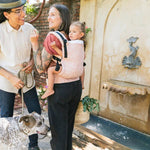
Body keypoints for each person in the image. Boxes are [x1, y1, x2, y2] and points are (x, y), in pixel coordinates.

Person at [30, 3, 83, 150]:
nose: (48, 18)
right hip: (75, 86)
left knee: (58, 133)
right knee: (67, 129)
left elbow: (41, 68)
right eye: (48, 14)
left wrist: (35, 45)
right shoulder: (73, 37)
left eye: (53, 15)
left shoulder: (53, 37)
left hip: (59, 89)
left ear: (63, 19)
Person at [0, 0, 41, 150]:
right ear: (6, 14)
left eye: (23, 9)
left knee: (35, 111)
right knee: (5, 116)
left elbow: (35, 52)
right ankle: (5, 145)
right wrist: (11, 77)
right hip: (5, 79)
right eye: (18, 11)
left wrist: (31, 61)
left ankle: (34, 145)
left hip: (27, 78)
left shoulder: (29, 28)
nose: (23, 14)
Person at [41, 21, 86, 99]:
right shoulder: (81, 44)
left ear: (81, 34)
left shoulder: (72, 44)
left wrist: (55, 47)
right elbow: (83, 56)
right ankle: (82, 84)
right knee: (82, 65)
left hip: (68, 71)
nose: (70, 34)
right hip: (78, 73)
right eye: (70, 31)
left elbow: (64, 55)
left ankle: (50, 89)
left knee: (51, 70)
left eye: (74, 32)